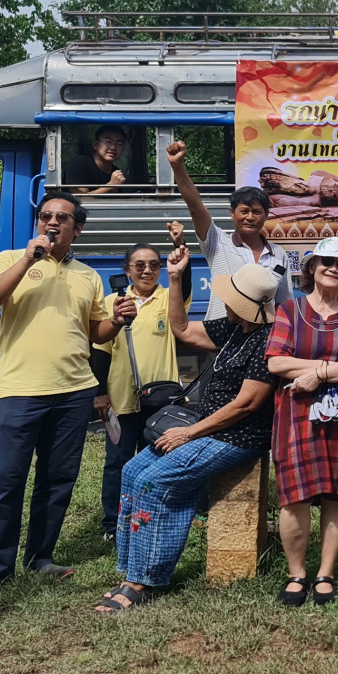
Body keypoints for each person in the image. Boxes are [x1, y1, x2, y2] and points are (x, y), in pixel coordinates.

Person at [96, 252, 280, 613]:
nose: (225, 303)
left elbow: (246, 405)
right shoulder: (235, 329)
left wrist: (190, 433)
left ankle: (145, 579)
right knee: (132, 472)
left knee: (154, 482)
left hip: (235, 436)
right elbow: (182, 329)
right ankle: (130, 567)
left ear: (245, 306)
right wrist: (176, 277)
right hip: (206, 428)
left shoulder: (267, 341)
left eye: (231, 299)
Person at [0, 195, 136, 594]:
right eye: (45, 216)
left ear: (76, 229)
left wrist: (116, 321)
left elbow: (94, 331)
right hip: (18, 390)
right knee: (6, 479)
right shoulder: (9, 259)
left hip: (74, 391)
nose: (52, 222)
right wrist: (29, 259)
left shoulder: (88, 276)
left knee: (58, 478)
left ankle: (40, 557)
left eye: (62, 217)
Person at [267, 236, 338, 607]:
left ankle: (325, 574)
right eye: (327, 261)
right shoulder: (289, 310)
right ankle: (296, 573)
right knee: (294, 495)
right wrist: (334, 368)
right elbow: (276, 361)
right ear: (312, 266)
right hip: (297, 414)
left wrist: (317, 375)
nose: (334, 269)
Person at [93, 243, 181, 542]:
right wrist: (101, 393)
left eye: (154, 265)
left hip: (159, 402)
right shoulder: (112, 302)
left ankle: (147, 519)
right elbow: (101, 352)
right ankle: (113, 524)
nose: (147, 270)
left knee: (153, 461)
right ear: (126, 269)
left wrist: (179, 249)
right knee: (117, 462)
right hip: (120, 400)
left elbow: (184, 285)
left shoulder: (169, 298)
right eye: (139, 265)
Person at [167, 139, 286, 319]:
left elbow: (283, 304)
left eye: (256, 212)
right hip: (220, 332)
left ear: (266, 215)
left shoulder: (279, 254)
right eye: (244, 211)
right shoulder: (217, 242)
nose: (250, 217)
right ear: (232, 214)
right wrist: (178, 166)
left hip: (263, 334)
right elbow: (195, 206)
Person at [64, 125, 131, 194]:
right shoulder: (79, 164)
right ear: (95, 144)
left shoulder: (117, 174)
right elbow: (80, 198)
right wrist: (110, 186)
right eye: (108, 141)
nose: (113, 147)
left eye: (119, 144)